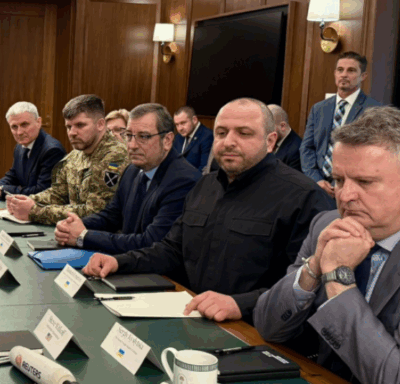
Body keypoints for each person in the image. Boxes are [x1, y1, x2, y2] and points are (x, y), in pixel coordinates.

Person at [254, 107, 400, 384]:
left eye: (365, 182)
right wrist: (314, 268)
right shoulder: (327, 225)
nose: (345, 196)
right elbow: (268, 327)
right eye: (338, 180)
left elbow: (397, 378)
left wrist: (337, 277)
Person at [83, 98, 334, 323]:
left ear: (270, 141)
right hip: (189, 313)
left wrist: (240, 304)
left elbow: (303, 285)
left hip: (252, 329)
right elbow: (172, 250)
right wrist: (119, 261)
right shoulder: (205, 187)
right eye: (221, 133)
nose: (229, 142)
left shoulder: (304, 197)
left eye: (244, 133)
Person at [54, 103, 200, 254]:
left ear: (167, 140)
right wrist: (73, 226)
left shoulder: (183, 180)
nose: (132, 145)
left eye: (144, 137)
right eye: (129, 136)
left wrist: (83, 236)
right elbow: (112, 216)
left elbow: (150, 243)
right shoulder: (132, 170)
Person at [6, 95, 128, 225]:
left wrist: (35, 211)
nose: (72, 133)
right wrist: (24, 201)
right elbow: (58, 193)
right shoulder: (75, 155)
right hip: (72, 230)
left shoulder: (115, 156)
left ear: (100, 124)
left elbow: (95, 211)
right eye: (69, 127)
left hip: (101, 233)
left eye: (80, 125)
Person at [301, 51, 382, 197]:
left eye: (351, 70)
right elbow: (307, 148)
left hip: (351, 189)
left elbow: (374, 154)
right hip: (317, 187)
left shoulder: (374, 110)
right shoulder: (319, 109)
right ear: (335, 73)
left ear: (363, 76)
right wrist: (316, 179)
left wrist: (341, 183)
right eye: (340, 70)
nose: (344, 75)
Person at [0, 102, 65, 197]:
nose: (19, 132)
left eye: (24, 125)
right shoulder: (20, 147)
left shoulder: (52, 150)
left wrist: (2, 191)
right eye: (14, 127)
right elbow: (13, 176)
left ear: (38, 122)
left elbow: (42, 191)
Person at [173, 105, 214, 172]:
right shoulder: (178, 137)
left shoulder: (207, 136)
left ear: (194, 120)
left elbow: (204, 169)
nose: (180, 128)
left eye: (183, 123)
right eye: (177, 125)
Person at [267, 104, 302, 171]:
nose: (265, 132)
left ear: (282, 126)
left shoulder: (296, 151)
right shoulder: (270, 139)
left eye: (269, 127)